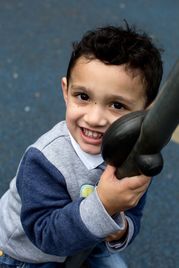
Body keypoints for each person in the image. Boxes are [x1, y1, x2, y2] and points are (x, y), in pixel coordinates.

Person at [0, 22, 163, 268]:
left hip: (87, 242)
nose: (95, 119)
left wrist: (120, 231)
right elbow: (45, 236)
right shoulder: (45, 159)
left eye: (117, 105)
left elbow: (132, 213)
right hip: (27, 254)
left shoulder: (132, 155)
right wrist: (106, 204)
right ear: (67, 91)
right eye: (83, 97)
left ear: (147, 111)